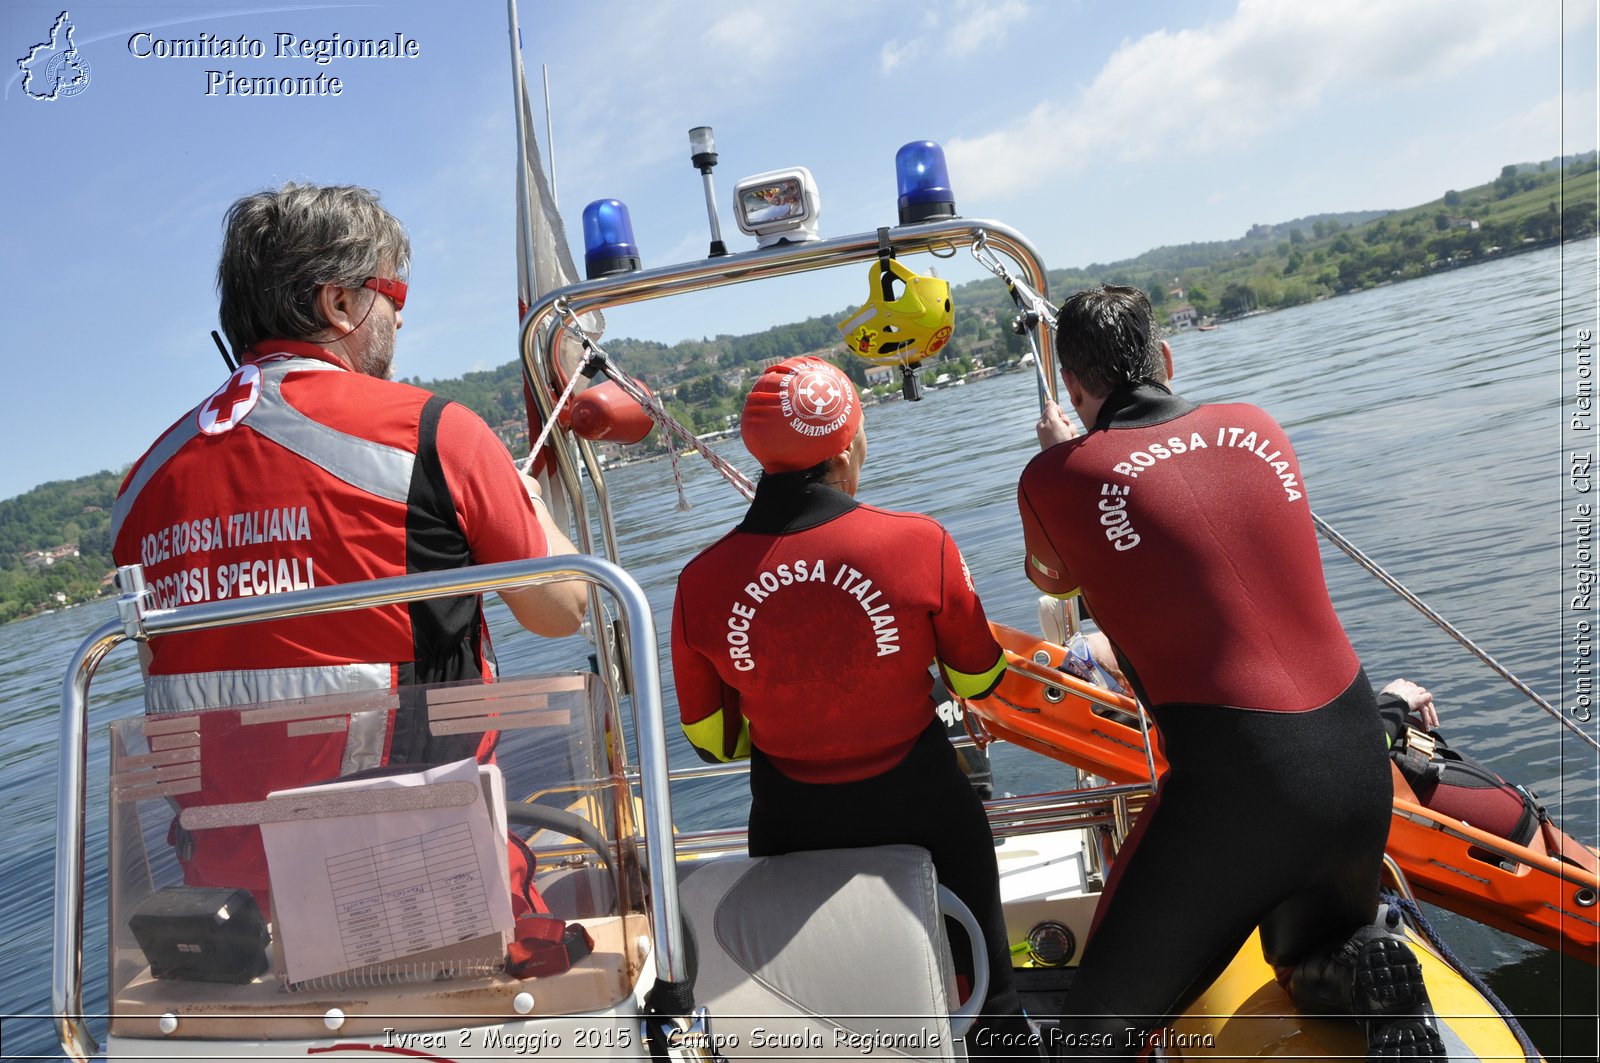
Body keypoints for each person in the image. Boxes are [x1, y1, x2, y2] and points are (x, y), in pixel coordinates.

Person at [110, 182, 587, 910]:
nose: (400, 317)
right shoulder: (434, 432)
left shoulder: (139, 488)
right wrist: (521, 499)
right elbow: (563, 609)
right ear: (340, 304)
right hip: (429, 892)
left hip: (232, 926)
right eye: (395, 296)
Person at [1016, 285, 1443, 1060]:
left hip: (1238, 791)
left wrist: (1058, 454)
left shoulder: (1057, 478)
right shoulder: (1256, 424)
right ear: (1167, 359)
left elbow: (1053, 582)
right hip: (1353, 764)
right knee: (1295, 958)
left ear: (1074, 392)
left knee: (1089, 1036)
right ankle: (1356, 967)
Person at [671, 356, 1034, 1058]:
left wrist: (794, 710)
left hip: (790, 820)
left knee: (822, 1015)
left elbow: (712, 741)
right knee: (991, 1003)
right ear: (846, 448)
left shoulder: (698, 582)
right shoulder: (918, 541)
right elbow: (979, 675)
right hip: (925, 803)